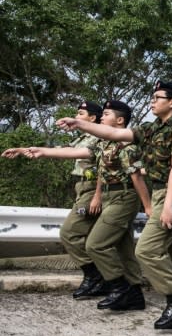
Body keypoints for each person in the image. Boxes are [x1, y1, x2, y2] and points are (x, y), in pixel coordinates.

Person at [57, 82, 172, 329]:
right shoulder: (152, 128)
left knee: (146, 250)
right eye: (152, 97)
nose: (152, 101)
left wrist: (167, 206)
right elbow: (114, 134)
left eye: (158, 97)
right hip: (161, 192)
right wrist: (79, 123)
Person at [3, 100, 105, 299]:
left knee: (69, 233)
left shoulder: (99, 138)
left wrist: (98, 196)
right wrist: (24, 149)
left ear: (93, 118)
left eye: (80, 114)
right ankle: (101, 279)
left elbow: (95, 164)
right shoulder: (86, 136)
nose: (77, 117)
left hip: (92, 190)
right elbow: (63, 148)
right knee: (88, 237)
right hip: (82, 187)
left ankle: (96, 275)